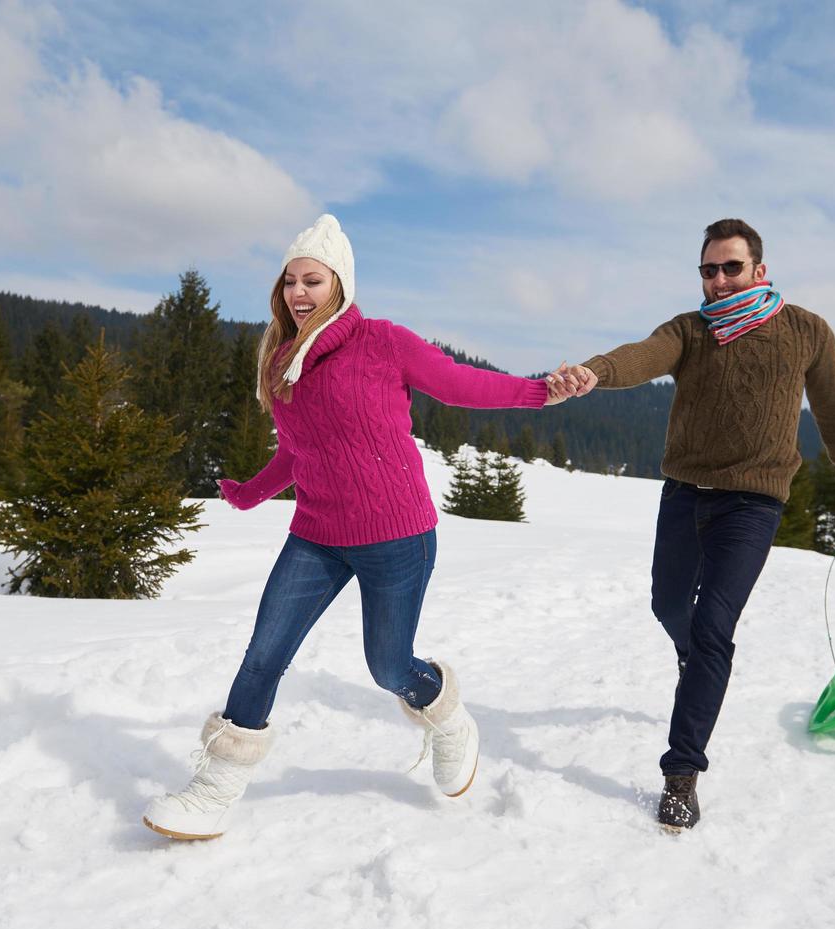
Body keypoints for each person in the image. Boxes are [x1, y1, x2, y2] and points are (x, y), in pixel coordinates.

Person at [144, 214, 574, 840]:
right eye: (290, 281)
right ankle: (215, 788)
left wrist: (541, 393)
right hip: (316, 534)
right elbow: (300, 449)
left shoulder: (382, 341)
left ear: (339, 285)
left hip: (397, 534)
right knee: (264, 654)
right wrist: (252, 494)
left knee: (388, 666)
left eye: (312, 280)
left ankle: (447, 716)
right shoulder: (282, 362)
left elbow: (461, 387)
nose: (298, 293)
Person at [560, 218, 835, 832]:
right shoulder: (690, 331)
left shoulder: (807, 331)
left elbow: (834, 409)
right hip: (685, 492)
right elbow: (643, 355)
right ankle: (691, 655)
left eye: (732, 267)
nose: (720, 281)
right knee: (668, 605)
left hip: (752, 503)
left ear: (760, 269)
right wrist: (598, 370)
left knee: (712, 628)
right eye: (709, 270)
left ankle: (682, 774)